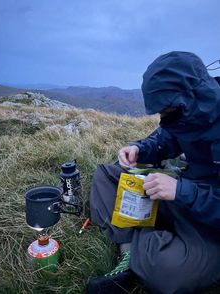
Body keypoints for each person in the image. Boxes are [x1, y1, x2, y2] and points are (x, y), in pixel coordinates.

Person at [86, 51, 220, 294]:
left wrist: (181, 191)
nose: (163, 118)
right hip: (182, 197)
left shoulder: (190, 107)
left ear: (193, 96)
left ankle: (133, 235)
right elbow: (168, 136)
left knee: (170, 274)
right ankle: (133, 248)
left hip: (210, 224)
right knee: (106, 176)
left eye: (167, 111)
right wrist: (140, 148)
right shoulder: (190, 111)